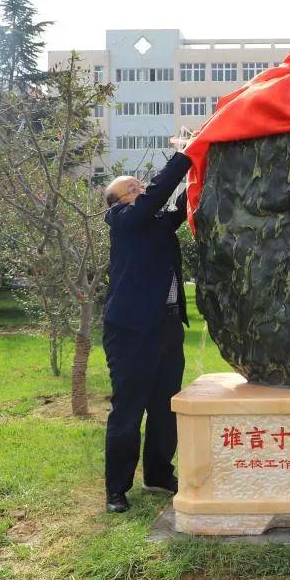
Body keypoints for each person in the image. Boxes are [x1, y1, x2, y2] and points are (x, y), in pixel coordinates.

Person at [101, 152, 192, 513]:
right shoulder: (123, 220)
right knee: (128, 410)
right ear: (117, 203)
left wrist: (199, 169)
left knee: (165, 407)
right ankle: (116, 489)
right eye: (132, 188)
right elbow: (156, 196)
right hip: (131, 331)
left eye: (139, 185)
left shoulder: (153, 223)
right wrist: (184, 155)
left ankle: (158, 473)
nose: (140, 190)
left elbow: (181, 208)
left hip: (167, 326)